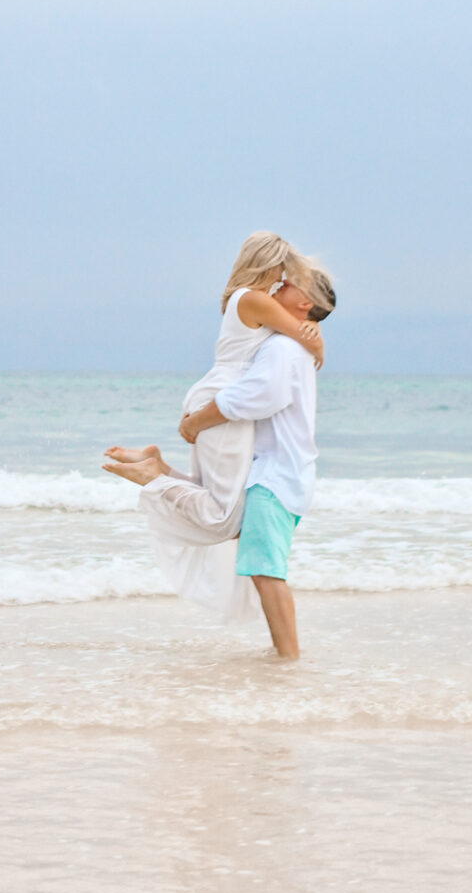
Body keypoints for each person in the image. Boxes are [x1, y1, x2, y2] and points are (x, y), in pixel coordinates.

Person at [102, 232, 331, 621]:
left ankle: (157, 466)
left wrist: (313, 327)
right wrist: (318, 343)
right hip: (225, 400)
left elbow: (295, 328)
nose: (284, 278)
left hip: (217, 395)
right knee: (222, 516)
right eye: (284, 270)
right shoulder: (254, 298)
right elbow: (299, 333)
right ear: (270, 263)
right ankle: (152, 474)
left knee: (222, 503)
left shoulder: (243, 298)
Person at [177, 271, 336, 658]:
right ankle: (285, 654)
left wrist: (198, 421)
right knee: (234, 533)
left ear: (303, 304)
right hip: (275, 472)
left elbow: (259, 397)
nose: (279, 284)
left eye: (290, 284)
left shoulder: (282, 348)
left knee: (267, 571)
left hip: (277, 475)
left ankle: (289, 659)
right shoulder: (286, 342)